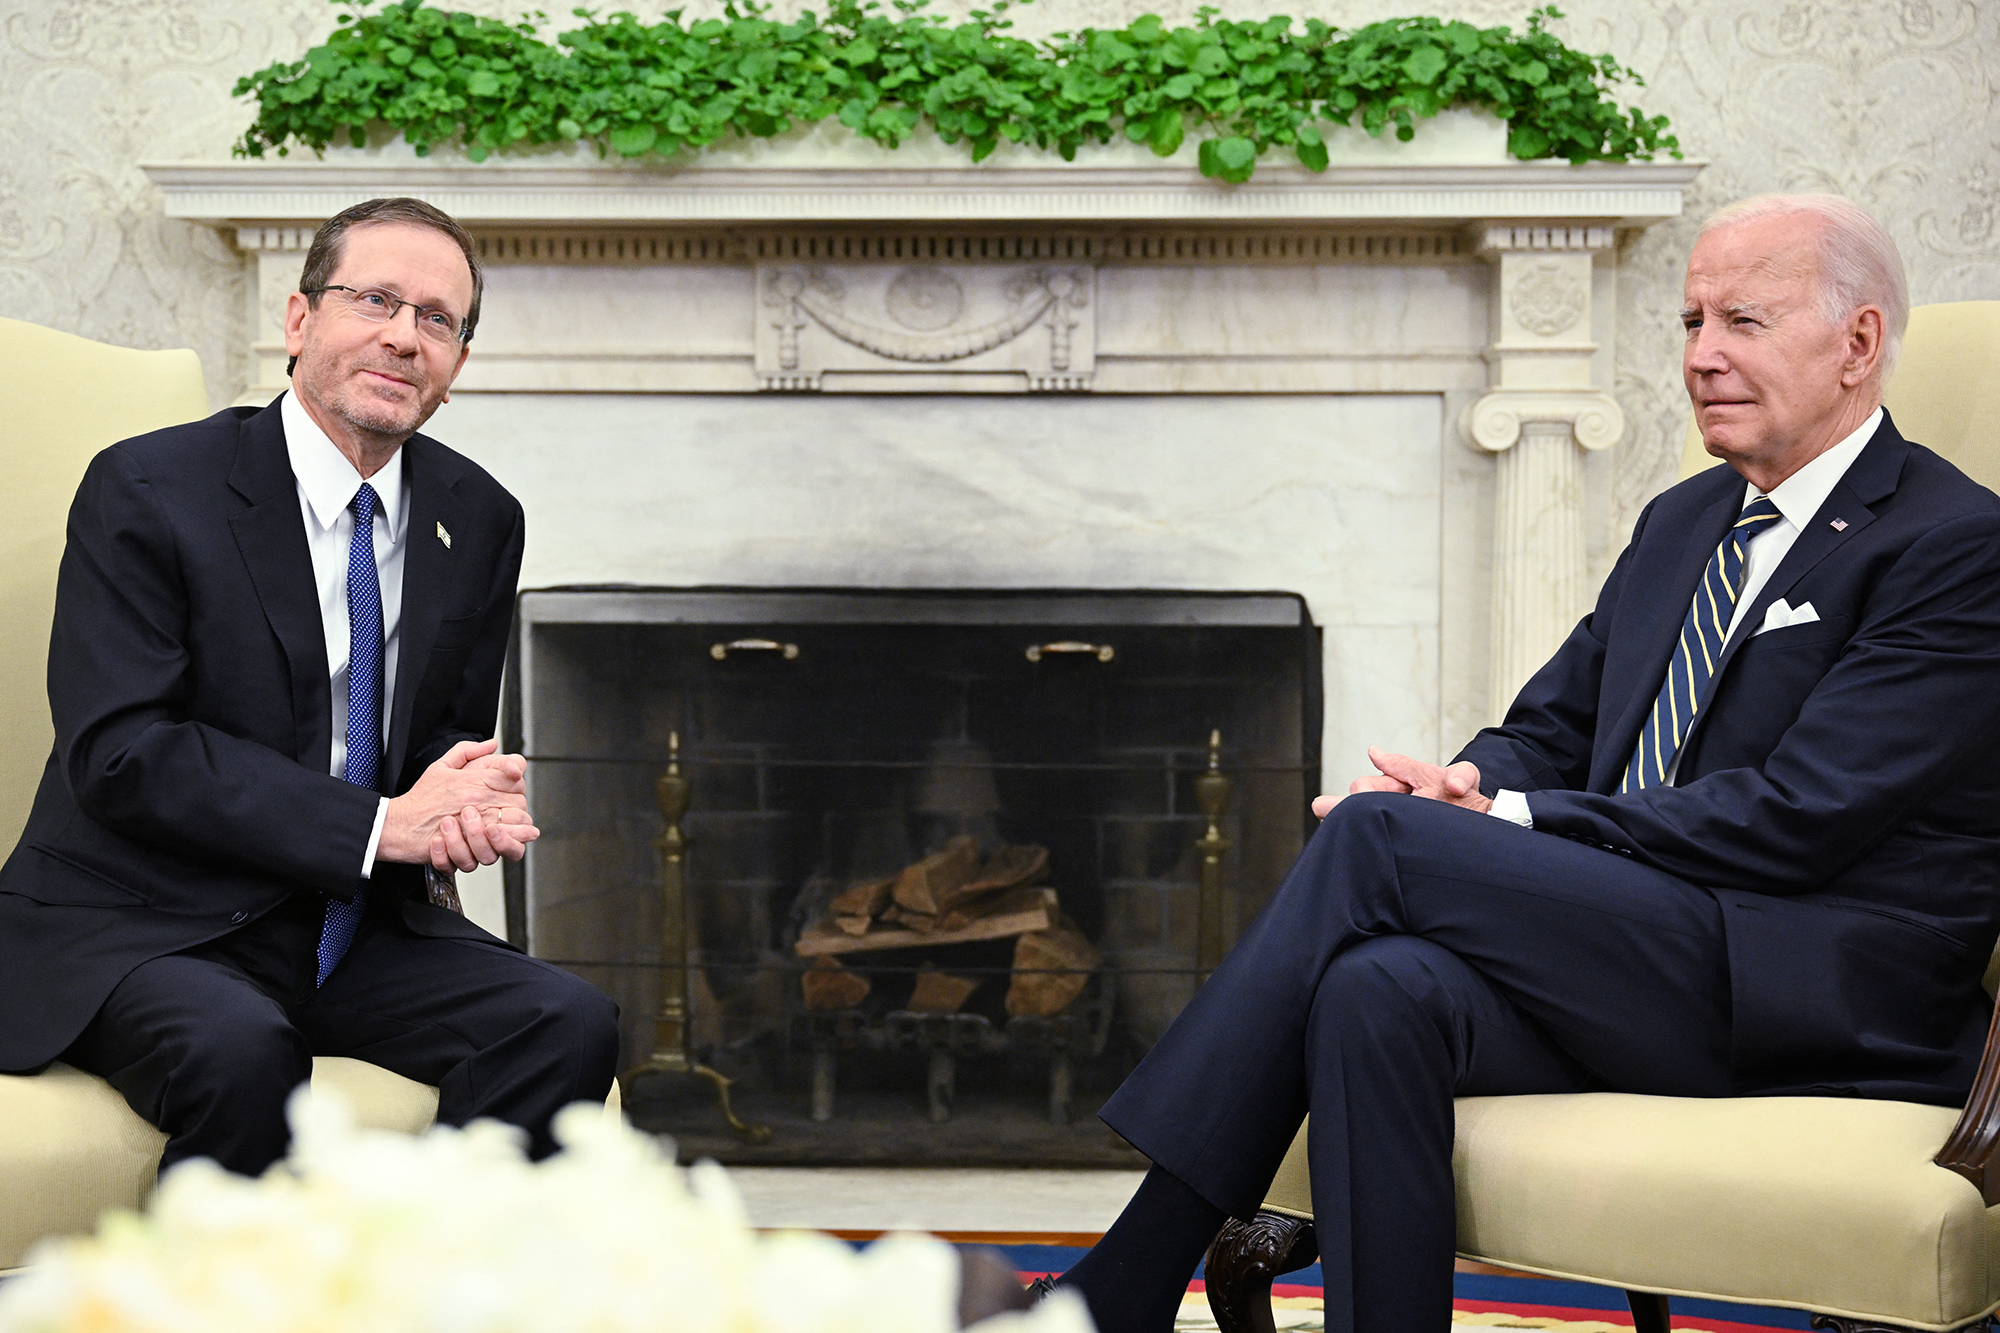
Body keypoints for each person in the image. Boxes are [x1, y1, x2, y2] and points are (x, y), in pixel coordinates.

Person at [1051, 194, 2000, 1332]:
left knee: (1370, 835)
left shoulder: (1954, 544)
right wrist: (1464, 786)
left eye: (1742, 320)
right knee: (1375, 987)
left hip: (1815, 983)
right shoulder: (1683, 520)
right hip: (1651, 950)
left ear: (1856, 344)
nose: (1701, 355)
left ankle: (1123, 1282)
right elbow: (1546, 728)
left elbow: (1798, 816)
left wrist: (1505, 819)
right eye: (1690, 320)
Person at [0, 197, 619, 1176]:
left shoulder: (479, 516)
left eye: (437, 319)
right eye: (374, 299)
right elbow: (124, 752)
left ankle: (409, 1288)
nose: (402, 336)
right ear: (299, 321)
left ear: (456, 363)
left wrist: (457, 802)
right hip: (149, 926)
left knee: (568, 1021)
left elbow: (428, 746)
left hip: (347, 927)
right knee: (242, 1051)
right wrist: (381, 828)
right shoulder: (149, 488)